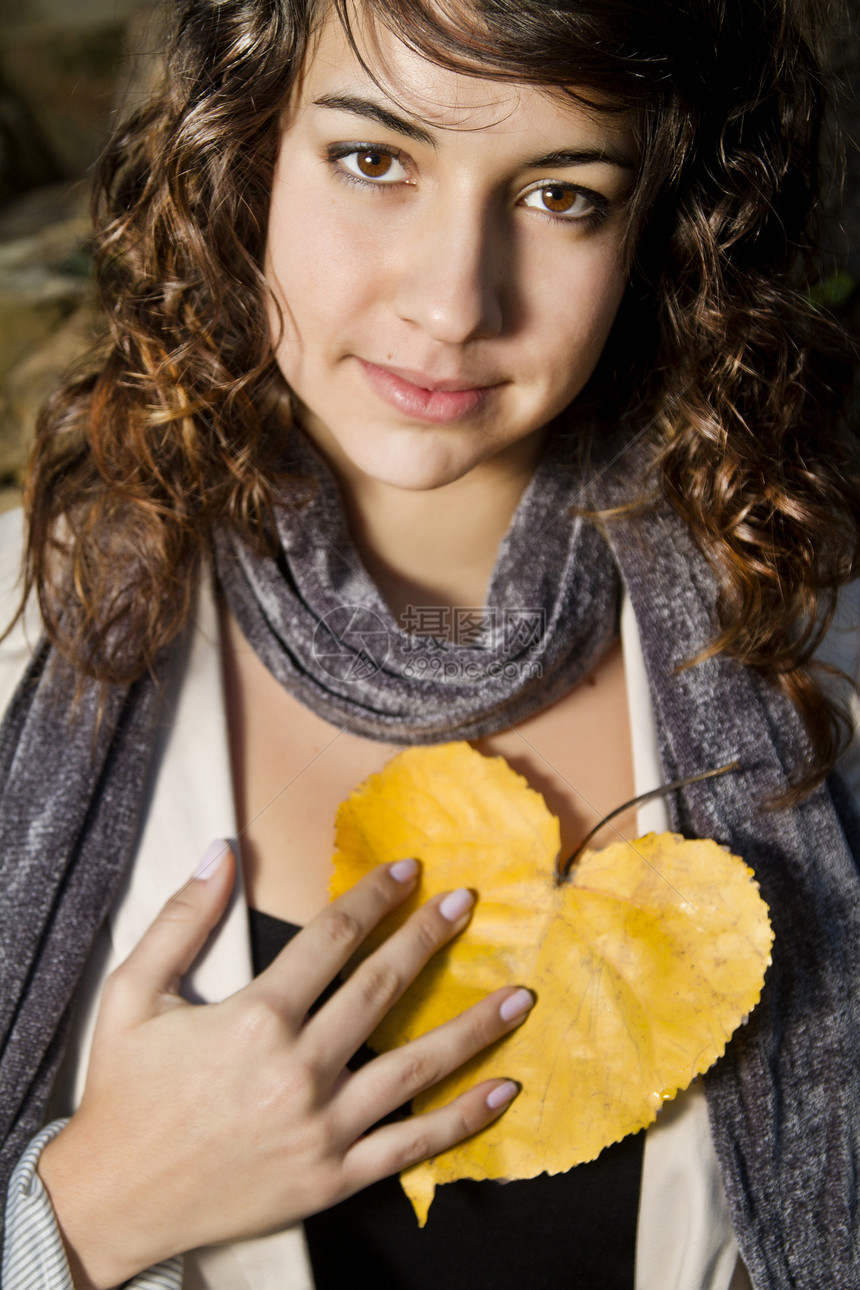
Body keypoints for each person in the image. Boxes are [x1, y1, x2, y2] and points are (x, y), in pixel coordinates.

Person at [1, 0, 858, 1286]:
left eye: (562, 193)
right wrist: (83, 1213)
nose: (455, 302)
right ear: (243, 159)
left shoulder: (820, 651)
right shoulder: (15, 624)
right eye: (373, 160)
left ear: (664, 229)